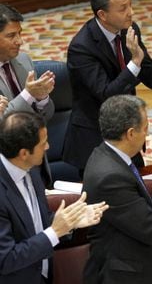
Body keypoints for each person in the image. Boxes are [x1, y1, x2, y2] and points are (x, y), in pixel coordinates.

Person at [64, 0, 152, 175]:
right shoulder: (81, 48)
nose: (130, 13)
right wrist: (135, 62)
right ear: (102, 14)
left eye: (130, 4)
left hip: (128, 133)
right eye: (123, 8)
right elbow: (107, 94)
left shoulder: (129, 30)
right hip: (95, 140)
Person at [82, 95, 152, 284]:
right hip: (123, 276)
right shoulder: (110, 176)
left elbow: (136, 205)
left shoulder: (108, 155)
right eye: (145, 128)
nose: (148, 134)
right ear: (130, 134)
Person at [0, 111, 108, 284]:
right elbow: (5, 259)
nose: (48, 147)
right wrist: (55, 231)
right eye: (43, 143)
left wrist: (70, 221)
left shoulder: (32, 169)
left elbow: (35, 223)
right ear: (24, 153)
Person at [0, 4, 55, 120]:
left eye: (19, 33)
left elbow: (47, 116)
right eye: (11, 36)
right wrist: (28, 94)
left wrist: (41, 98)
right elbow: (4, 124)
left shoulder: (24, 60)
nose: (20, 41)